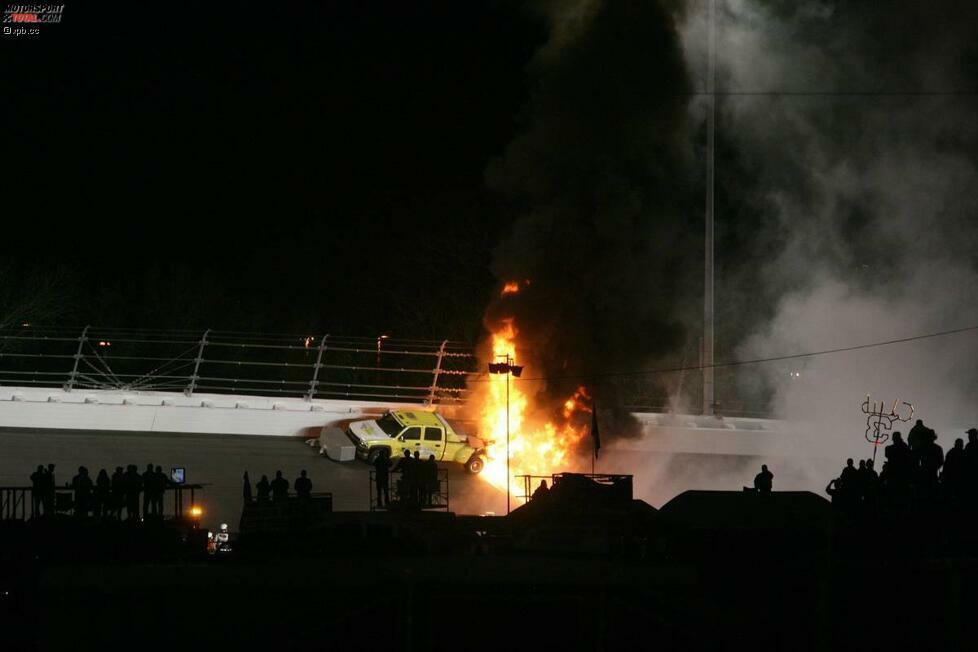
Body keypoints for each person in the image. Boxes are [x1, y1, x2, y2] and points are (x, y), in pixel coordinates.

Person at [942, 438, 966, 504]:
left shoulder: (950, 453)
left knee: (950, 495)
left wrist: (944, 476)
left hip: (951, 477)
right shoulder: (964, 453)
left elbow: (945, 466)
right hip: (960, 478)